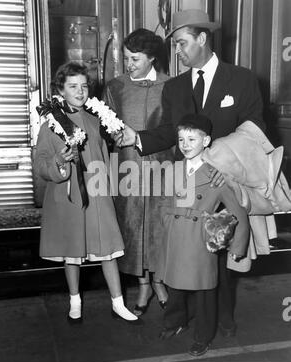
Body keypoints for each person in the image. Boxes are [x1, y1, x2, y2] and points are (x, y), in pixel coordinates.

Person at [114, 9, 265, 335]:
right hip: (185, 185)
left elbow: (255, 130)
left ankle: (221, 317)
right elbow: (170, 131)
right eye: (175, 45)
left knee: (219, 251)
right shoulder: (176, 87)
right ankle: (177, 318)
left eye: (182, 43)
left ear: (202, 38)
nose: (177, 52)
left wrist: (221, 162)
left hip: (223, 182)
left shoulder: (241, 79)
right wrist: (136, 138)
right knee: (180, 252)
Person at [34, 61, 140, 324]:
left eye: (84, 86)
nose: (80, 92)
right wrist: (60, 160)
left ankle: (118, 302)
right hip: (67, 195)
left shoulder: (94, 119)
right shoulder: (51, 123)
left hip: (96, 192)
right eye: (73, 86)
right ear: (61, 89)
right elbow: (41, 163)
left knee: (108, 248)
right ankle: (75, 301)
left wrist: (111, 188)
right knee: (72, 252)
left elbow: (102, 156)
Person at [157, 113, 249, 356]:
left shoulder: (215, 176)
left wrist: (238, 248)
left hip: (199, 240)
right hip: (176, 237)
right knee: (174, 286)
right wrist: (165, 226)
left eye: (192, 139)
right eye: (181, 140)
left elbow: (238, 212)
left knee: (205, 292)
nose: (185, 145)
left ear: (206, 141)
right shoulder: (173, 170)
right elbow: (164, 202)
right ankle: (175, 322)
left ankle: (203, 336)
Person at [103, 29, 173, 315]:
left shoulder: (172, 86)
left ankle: (160, 281)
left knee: (161, 225)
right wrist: (112, 136)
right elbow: (104, 127)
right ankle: (143, 285)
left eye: (135, 59)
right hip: (128, 167)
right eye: (127, 58)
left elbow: (176, 130)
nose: (128, 64)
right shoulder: (115, 87)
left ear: (152, 58)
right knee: (132, 226)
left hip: (163, 167)